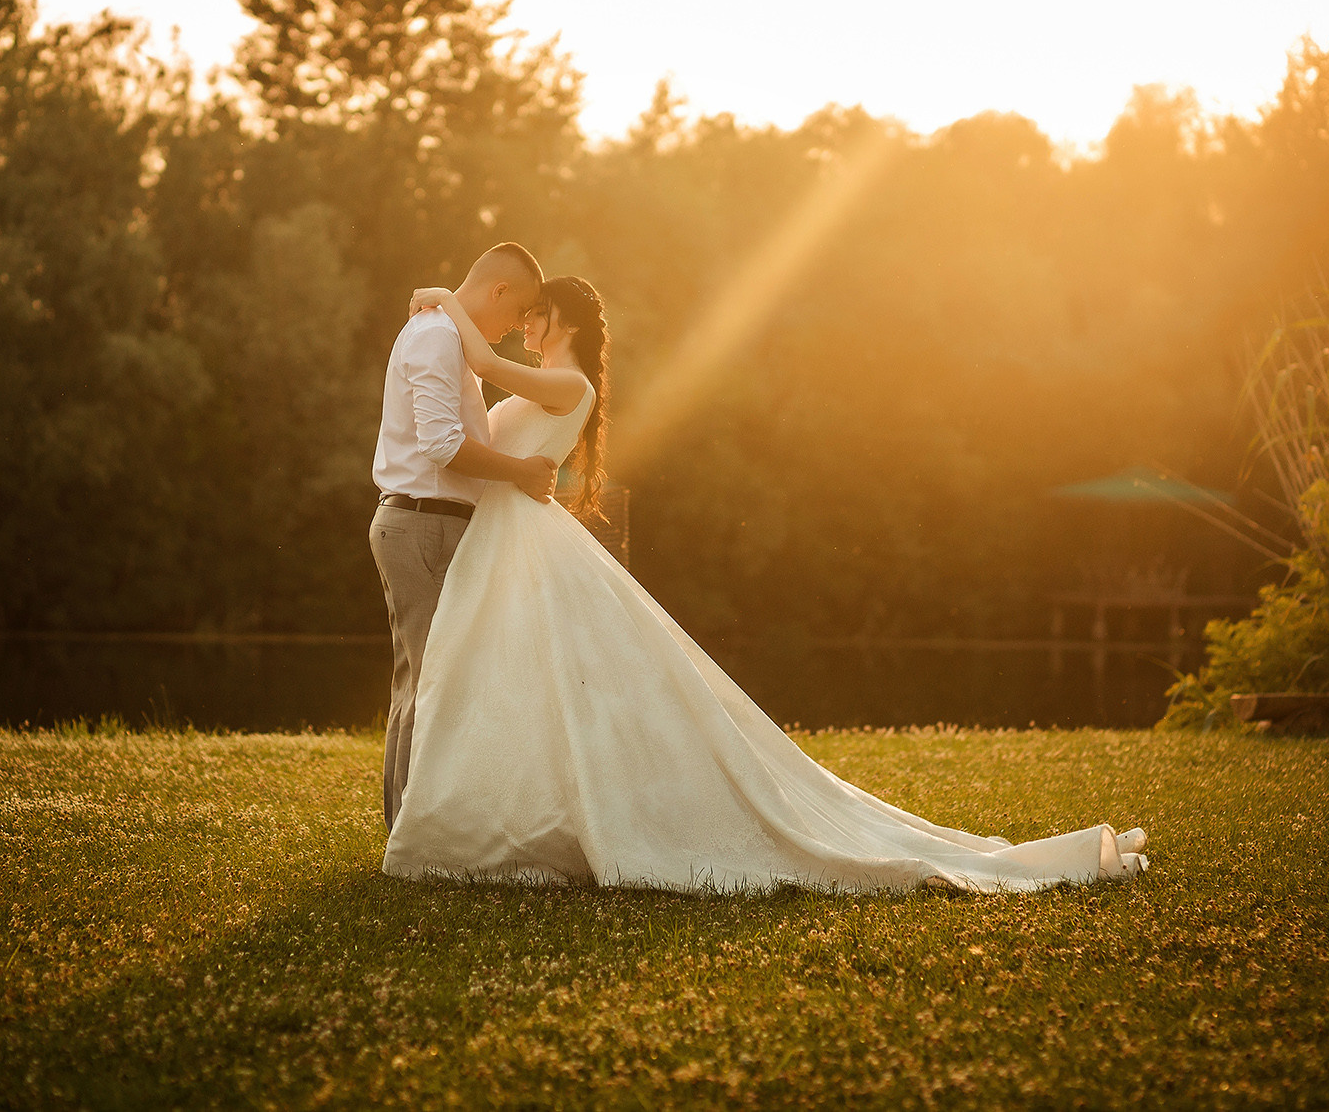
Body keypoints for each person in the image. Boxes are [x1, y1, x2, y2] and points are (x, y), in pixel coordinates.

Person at [383, 275, 1149, 894]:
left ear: (565, 321)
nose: (524, 325)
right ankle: (496, 816)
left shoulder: (568, 382)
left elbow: (480, 367)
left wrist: (445, 299)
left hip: (524, 543)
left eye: (535, 314)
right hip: (508, 541)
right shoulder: (550, 376)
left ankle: (531, 818)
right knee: (502, 686)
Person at [369, 243, 558, 830]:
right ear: (497, 291)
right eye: (515, 314)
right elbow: (442, 446)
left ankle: (416, 827)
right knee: (431, 681)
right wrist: (522, 473)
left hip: (435, 525)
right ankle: (413, 833)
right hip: (423, 525)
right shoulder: (436, 339)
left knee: (429, 678)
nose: (509, 332)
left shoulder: (445, 333)